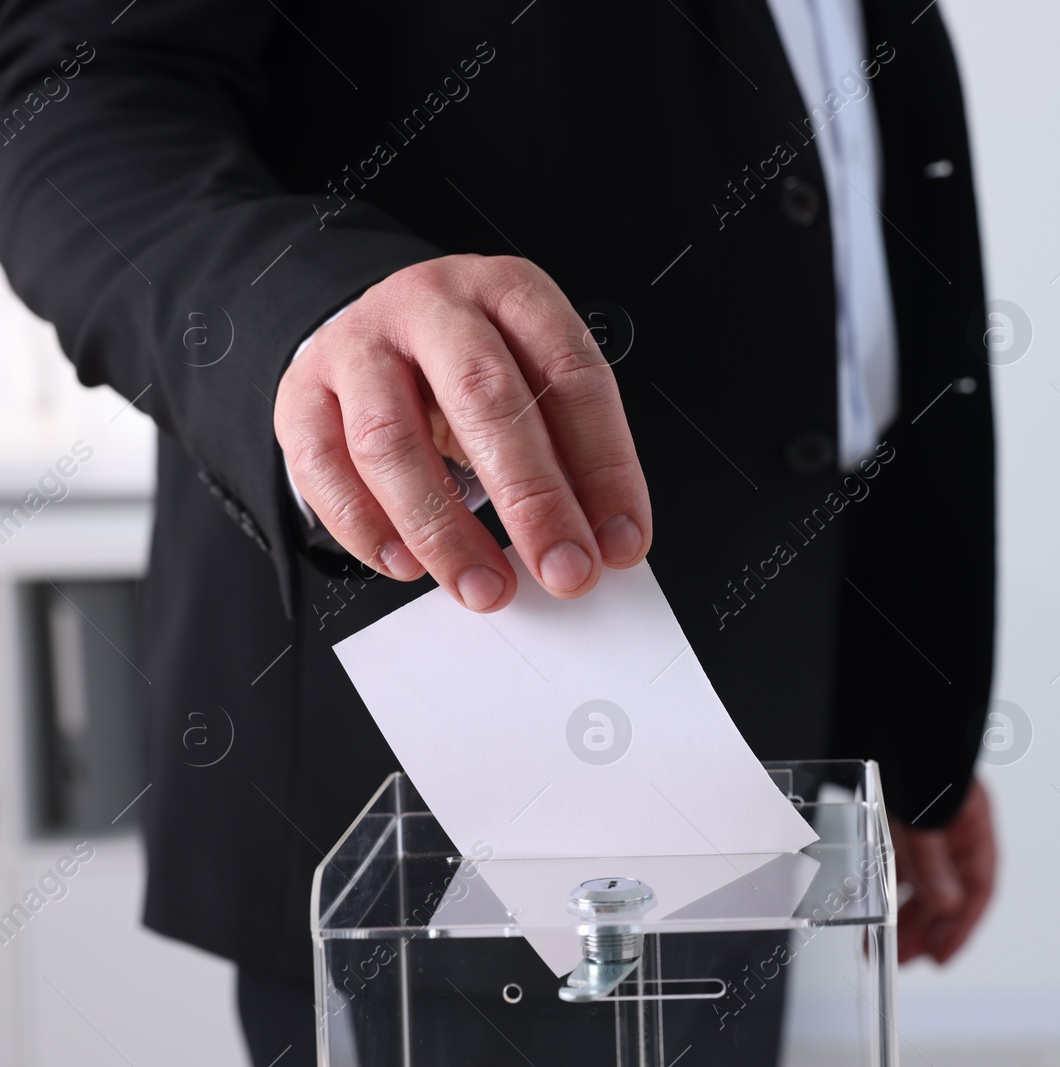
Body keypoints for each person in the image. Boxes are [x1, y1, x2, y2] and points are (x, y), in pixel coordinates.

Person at [0, 0, 997, 1061]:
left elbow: (835, 183)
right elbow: (78, 97)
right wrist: (302, 310)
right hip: (439, 762)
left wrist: (903, 712)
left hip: (782, 677)